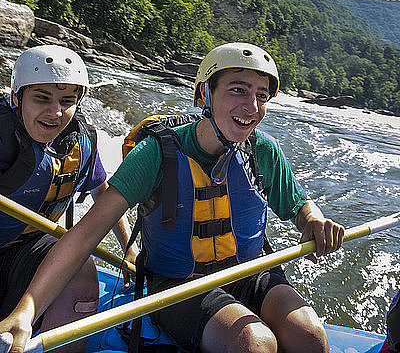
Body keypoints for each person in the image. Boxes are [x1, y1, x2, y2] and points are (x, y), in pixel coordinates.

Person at [0, 42, 344, 353]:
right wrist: (26, 311)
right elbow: (85, 236)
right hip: (180, 283)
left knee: (309, 336)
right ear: (204, 94)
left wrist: (313, 220)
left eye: (262, 95)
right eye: (237, 91)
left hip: (250, 271)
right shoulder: (154, 154)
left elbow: (298, 205)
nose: (251, 106)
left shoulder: (263, 150)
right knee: (254, 343)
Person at [0, 45, 137, 353]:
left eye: (66, 101)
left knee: (81, 267)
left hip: (26, 249)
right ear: (16, 97)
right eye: (41, 98)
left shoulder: (79, 143)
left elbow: (103, 194)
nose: (55, 112)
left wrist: (130, 249)